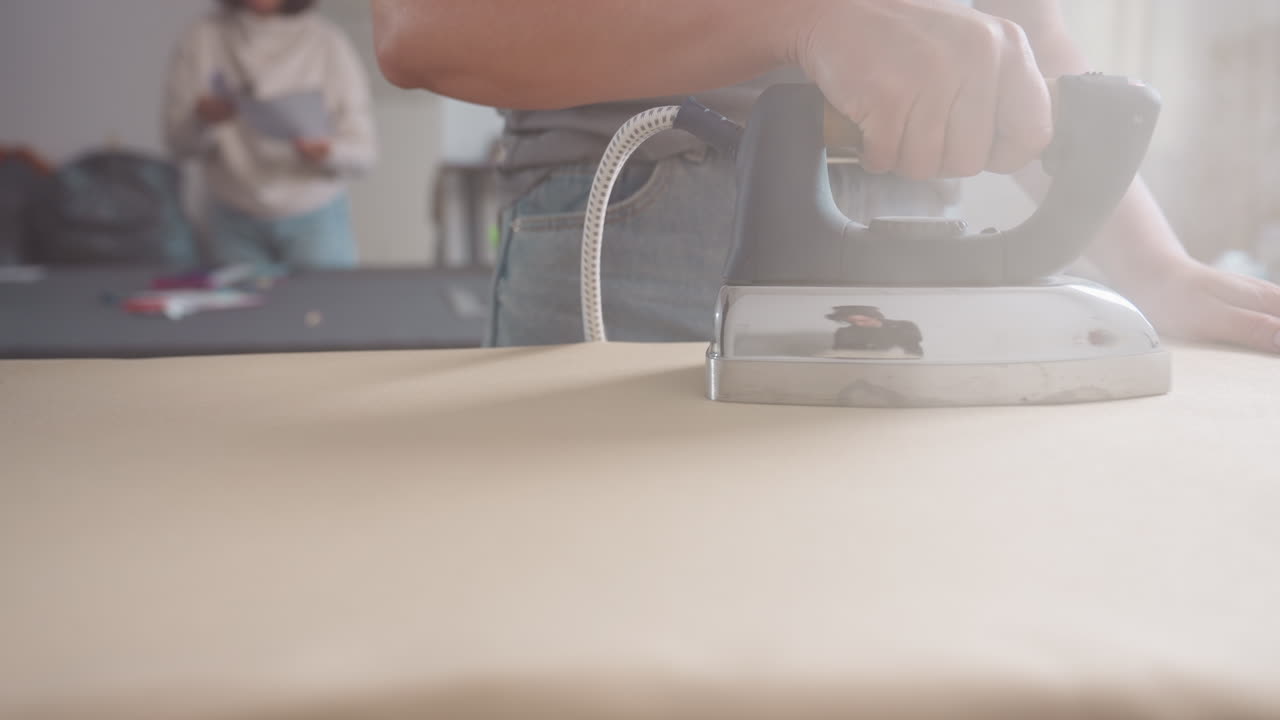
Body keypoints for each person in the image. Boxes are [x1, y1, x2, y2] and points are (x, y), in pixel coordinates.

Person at [371, 0, 1280, 354]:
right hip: (638, 225)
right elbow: (426, 27)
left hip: (921, 248)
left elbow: (1024, 36)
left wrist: (1155, 269)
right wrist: (803, 21)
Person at [165, 0, 377, 268]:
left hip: (313, 216)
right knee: (235, 296)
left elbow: (365, 154)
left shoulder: (327, 42)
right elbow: (177, 144)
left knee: (325, 296)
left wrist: (327, 151)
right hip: (233, 218)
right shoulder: (203, 38)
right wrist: (201, 119)